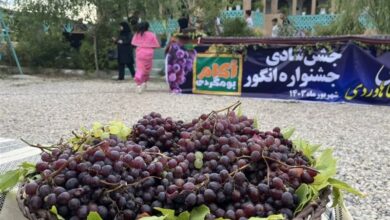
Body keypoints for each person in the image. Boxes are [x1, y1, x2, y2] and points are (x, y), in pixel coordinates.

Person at [131, 22, 160, 93]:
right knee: (147, 69)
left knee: (140, 69)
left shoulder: (137, 34)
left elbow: (133, 43)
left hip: (140, 53)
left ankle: (138, 84)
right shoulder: (152, 34)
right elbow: (156, 45)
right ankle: (144, 82)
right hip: (149, 54)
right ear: (148, 27)